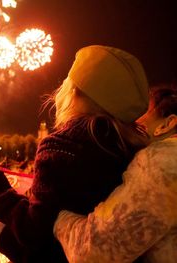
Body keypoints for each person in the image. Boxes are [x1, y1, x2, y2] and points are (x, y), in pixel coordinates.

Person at [0, 45, 150, 263]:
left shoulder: (61, 147)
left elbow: (33, 231)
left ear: (74, 91)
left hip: (60, 256)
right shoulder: (130, 145)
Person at [53, 84, 177, 263]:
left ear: (167, 124)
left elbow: (93, 251)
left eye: (140, 113)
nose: (129, 121)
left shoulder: (162, 162)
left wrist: (57, 214)